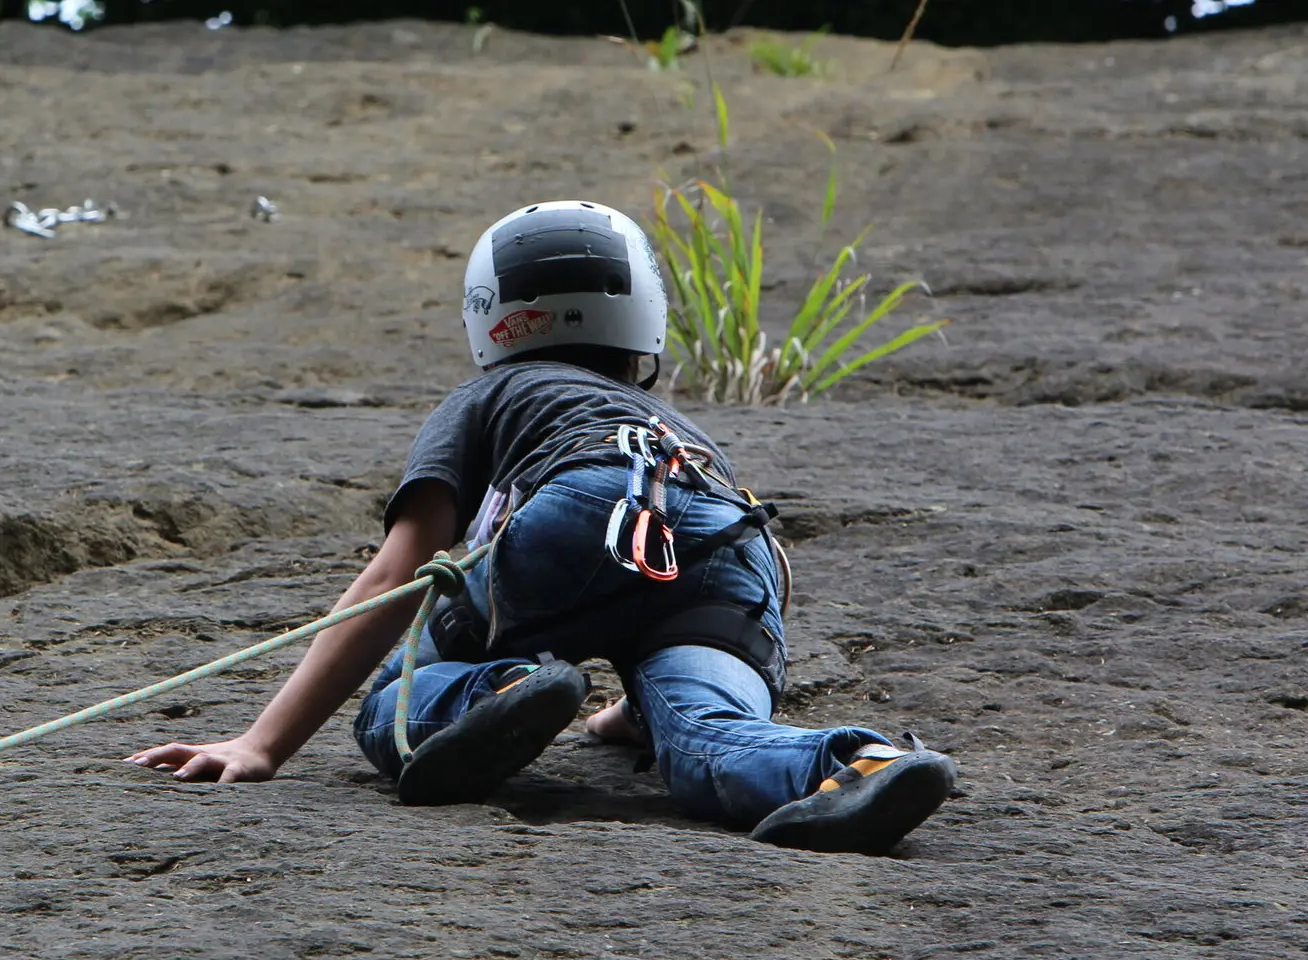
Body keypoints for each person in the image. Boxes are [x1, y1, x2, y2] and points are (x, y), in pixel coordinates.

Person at [127, 200, 957, 854]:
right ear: (644, 313)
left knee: (398, 699)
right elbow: (660, 575)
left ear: (490, 315)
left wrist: (263, 743)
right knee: (708, 736)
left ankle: (506, 689)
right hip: (737, 552)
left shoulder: (491, 396)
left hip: (580, 514)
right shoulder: (672, 422)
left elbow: (401, 573)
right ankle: (858, 765)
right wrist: (627, 712)